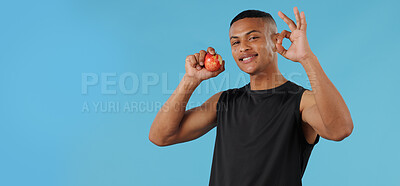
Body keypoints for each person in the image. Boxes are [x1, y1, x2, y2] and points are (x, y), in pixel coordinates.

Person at [149, 7, 353, 186]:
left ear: (276, 40)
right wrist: (190, 79)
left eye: (253, 37)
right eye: (235, 42)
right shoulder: (225, 101)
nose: (243, 47)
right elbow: (160, 136)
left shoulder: (300, 101)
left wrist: (307, 58)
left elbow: (340, 130)